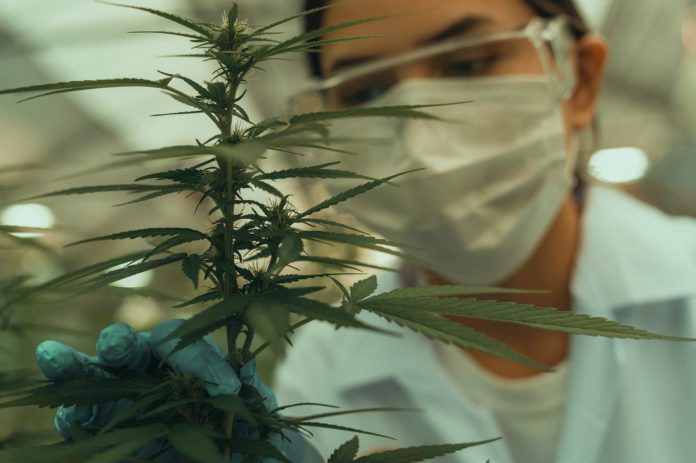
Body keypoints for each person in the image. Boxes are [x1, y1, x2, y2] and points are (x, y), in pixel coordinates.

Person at [34, 0, 696, 462]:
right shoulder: (326, 363)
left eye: (468, 64)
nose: (422, 125)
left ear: (578, 79)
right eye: (369, 92)